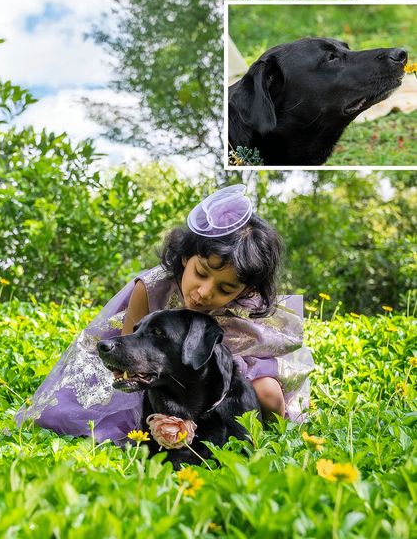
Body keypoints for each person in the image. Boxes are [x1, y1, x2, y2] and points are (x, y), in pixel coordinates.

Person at [16, 185, 314, 443]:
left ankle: (265, 437)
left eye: (225, 289)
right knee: (88, 412)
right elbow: (129, 348)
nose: (205, 292)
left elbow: (240, 366)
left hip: (220, 379)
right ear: (187, 257)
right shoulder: (151, 288)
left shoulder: (246, 308)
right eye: (201, 273)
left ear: (244, 290)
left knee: (268, 392)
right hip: (154, 372)